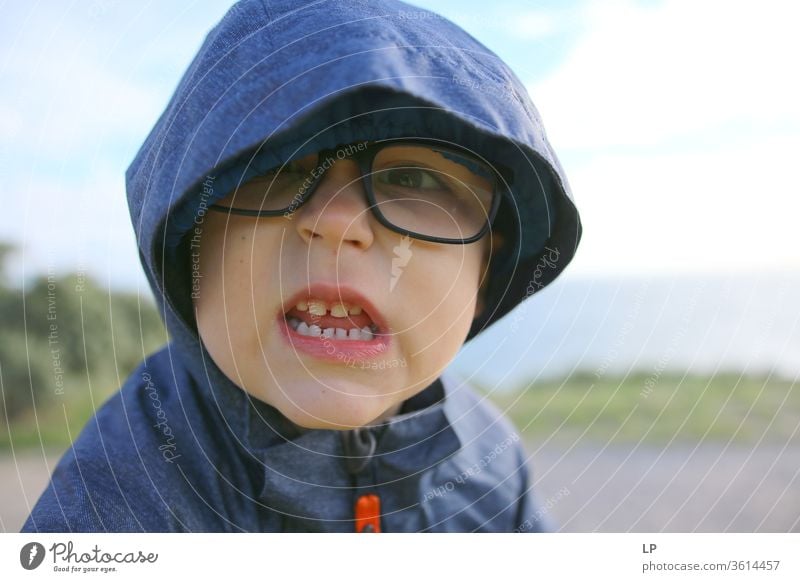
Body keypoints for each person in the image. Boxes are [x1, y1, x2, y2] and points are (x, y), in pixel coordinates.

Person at [22, 0, 582, 532]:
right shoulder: (122, 497)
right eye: (276, 165)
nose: (338, 221)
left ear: (487, 273)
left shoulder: (491, 465)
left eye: (413, 179)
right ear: (187, 241)